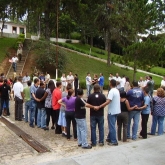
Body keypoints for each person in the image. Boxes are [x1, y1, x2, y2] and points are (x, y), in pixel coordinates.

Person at [99, 79, 121, 146]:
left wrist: (100, 106)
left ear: (110, 83)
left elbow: (108, 101)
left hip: (112, 111)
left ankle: (114, 141)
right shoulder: (117, 90)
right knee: (112, 125)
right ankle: (109, 137)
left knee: (111, 126)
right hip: (117, 110)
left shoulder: (111, 91)